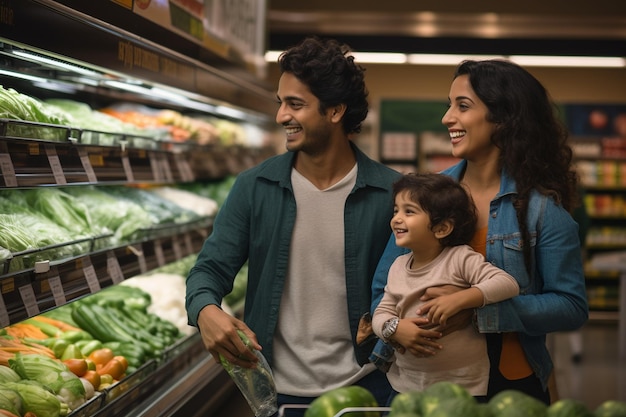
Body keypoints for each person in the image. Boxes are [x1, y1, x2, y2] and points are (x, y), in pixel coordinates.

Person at [185, 36, 401, 416]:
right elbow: (209, 270)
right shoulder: (255, 187)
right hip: (275, 391)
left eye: (295, 104)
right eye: (281, 103)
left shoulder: (390, 193)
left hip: (367, 388)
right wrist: (205, 310)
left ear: (335, 111)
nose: (281, 116)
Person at [372, 59, 589, 405]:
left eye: (463, 105)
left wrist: (479, 312)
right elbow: (384, 285)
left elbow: (571, 306)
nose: (447, 118)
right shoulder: (426, 198)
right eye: (449, 105)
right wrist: (396, 331)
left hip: (509, 385)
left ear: (503, 118)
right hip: (422, 381)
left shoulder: (542, 211)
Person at [373, 172, 520, 402]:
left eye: (409, 211)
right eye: (396, 211)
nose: (397, 219)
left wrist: (460, 299)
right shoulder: (398, 266)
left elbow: (507, 284)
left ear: (442, 228)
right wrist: (393, 328)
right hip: (405, 387)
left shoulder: (459, 258)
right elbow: (381, 312)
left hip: (462, 390)